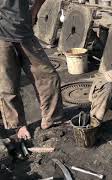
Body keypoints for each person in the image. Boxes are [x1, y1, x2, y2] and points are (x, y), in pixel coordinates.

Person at [0, 0, 64, 140]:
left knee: (48, 76)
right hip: (2, 37)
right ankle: (18, 126)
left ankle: (51, 119)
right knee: (7, 85)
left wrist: (34, 12)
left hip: (25, 33)